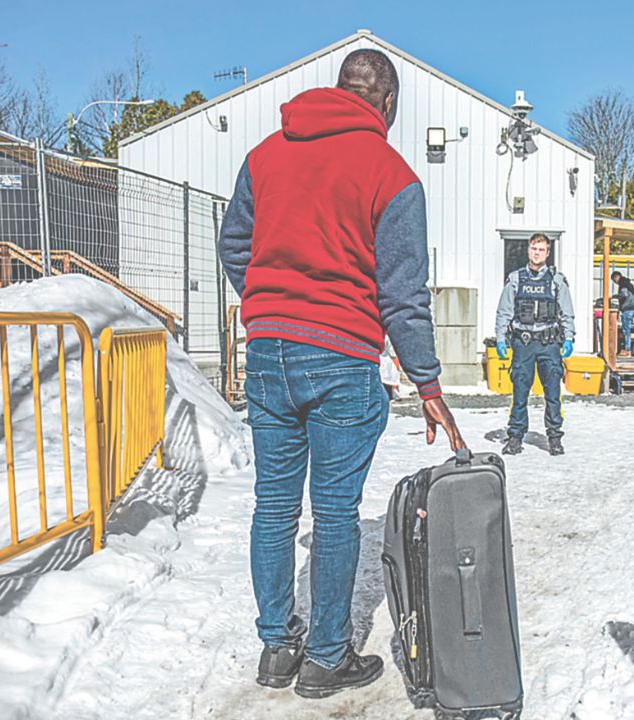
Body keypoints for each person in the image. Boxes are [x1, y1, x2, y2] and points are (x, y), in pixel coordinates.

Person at [217, 48, 465, 701]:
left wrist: (269, 304)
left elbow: (233, 244)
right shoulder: (393, 174)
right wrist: (430, 387)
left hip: (268, 350)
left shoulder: (264, 156)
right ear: (386, 104)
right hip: (342, 354)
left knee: (273, 503)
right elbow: (403, 296)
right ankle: (326, 658)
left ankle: (277, 648)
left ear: (337, 90)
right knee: (333, 512)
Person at [495, 233, 576, 456]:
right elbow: (504, 311)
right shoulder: (516, 279)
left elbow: (567, 312)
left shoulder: (557, 280)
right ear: (528, 250)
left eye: (541, 249)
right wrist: (501, 338)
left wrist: (568, 338)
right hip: (523, 343)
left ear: (548, 253)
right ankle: (515, 437)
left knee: (552, 392)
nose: (537, 253)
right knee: (520, 392)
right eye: (533, 248)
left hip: (549, 344)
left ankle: (554, 437)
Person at [611, 271, 634, 356]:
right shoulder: (629, 284)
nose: (614, 282)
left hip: (627, 309)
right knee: (627, 330)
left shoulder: (623, 284)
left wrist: (614, 296)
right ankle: (627, 349)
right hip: (631, 308)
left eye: (613, 280)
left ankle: (627, 350)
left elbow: (624, 295)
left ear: (616, 277)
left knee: (626, 330)